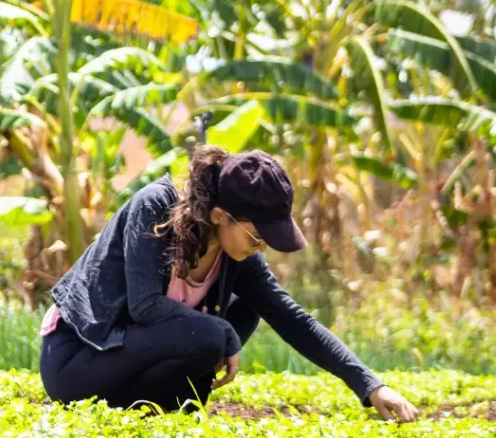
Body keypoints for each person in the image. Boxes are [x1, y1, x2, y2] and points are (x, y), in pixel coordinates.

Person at [40, 145, 420, 422]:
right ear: (220, 215)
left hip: (132, 373)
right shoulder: (155, 206)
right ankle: (151, 404)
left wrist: (370, 385)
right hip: (77, 361)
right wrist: (221, 331)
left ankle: (159, 409)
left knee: (253, 306)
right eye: (257, 237)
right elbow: (144, 305)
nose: (261, 248)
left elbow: (293, 318)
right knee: (208, 335)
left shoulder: (235, 255)